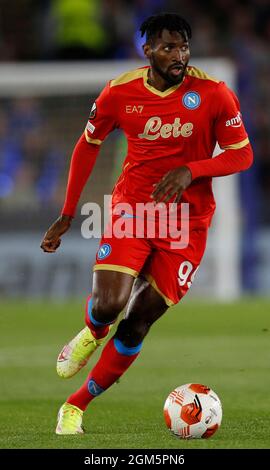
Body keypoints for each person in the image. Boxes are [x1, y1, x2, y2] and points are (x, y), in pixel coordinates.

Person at [40, 13, 253, 434]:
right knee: (109, 304)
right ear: (148, 50)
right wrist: (67, 213)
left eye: (184, 47)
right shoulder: (119, 93)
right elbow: (88, 146)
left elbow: (241, 153)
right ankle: (91, 330)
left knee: (138, 322)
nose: (179, 55)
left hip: (187, 224)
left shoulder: (213, 93)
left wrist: (192, 170)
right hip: (132, 212)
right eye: (169, 47)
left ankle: (75, 406)